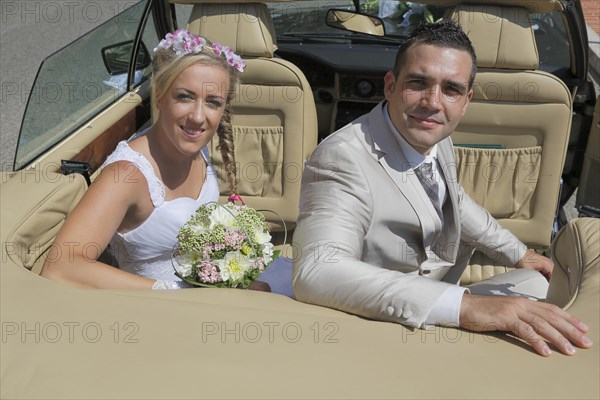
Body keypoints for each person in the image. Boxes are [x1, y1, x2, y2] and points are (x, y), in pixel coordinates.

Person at [292, 21, 593, 356]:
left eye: (451, 89)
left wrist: (520, 254)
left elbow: (455, 200)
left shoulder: (435, 136)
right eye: (418, 83)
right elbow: (318, 270)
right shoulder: (341, 157)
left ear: (466, 101)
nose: (432, 103)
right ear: (390, 85)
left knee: (548, 293)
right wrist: (464, 306)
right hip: (374, 327)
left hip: (436, 302)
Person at [41, 30, 248, 290]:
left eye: (213, 103)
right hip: (154, 311)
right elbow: (61, 267)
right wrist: (173, 293)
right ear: (160, 94)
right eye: (185, 96)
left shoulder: (194, 145)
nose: (197, 117)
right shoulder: (126, 175)